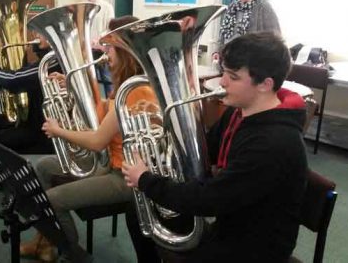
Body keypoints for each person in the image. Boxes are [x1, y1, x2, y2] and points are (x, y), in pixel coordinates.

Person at [123, 32, 308, 263]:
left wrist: (146, 180)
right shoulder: (239, 112)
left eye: (233, 76)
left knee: (151, 201)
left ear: (265, 84)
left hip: (254, 248)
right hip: (231, 221)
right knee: (138, 212)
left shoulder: (274, 143)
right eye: (224, 73)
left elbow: (211, 199)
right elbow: (207, 152)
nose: (222, 82)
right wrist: (163, 140)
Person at [19, 15, 157, 263]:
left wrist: (58, 130)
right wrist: (72, 86)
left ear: (124, 50)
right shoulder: (125, 86)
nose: (105, 52)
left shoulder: (135, 90)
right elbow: (103, 112)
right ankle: (45, 242)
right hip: (110, 164)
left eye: (109, 46)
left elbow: (96, 141)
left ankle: (74, 255)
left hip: (124, 177)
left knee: (53, 200)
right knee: (42, 167)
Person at [0, 33, 61, 191]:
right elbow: (22, 74)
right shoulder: (46, 58)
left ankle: (7, 180)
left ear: (51, 38)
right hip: (30, 117)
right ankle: (3, 172)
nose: (36, 36)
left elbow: (13, 80)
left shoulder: (50, 63)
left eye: (40, 33)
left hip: (42, 131)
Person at [82, 0, 115, 96]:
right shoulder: (85, 8)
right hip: (89, 49)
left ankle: (111, 103)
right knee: (90, 80)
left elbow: (110, 27)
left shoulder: (107, 7)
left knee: (107, 79)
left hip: (102, 48)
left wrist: (99, 39)